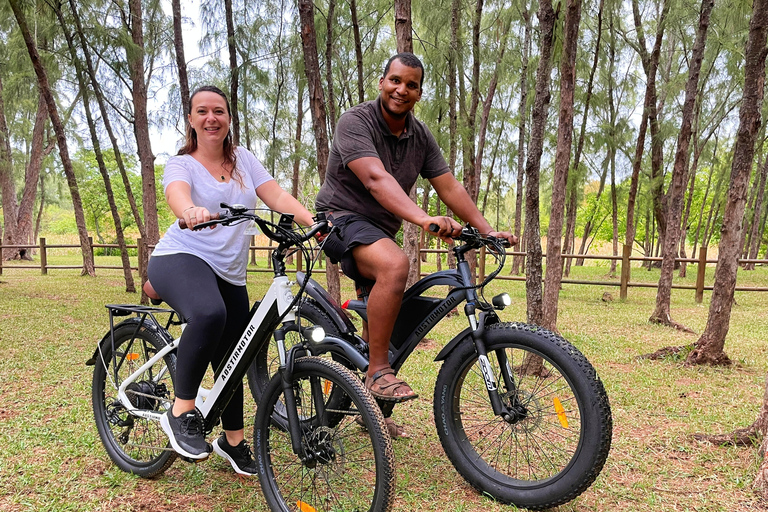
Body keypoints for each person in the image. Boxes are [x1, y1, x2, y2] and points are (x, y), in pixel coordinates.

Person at [316, 53, 517, 438]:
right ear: (382, 81)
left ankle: (372, 411)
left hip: (378, 231)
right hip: (338, 220)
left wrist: (486, 230)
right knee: (395, 265)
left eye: (411, 85)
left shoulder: (419, 136)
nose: (401, 90)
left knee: (396, 321)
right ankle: (377, 371)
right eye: (395, 80)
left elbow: (449, 186)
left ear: (419, 92)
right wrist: (424, 218)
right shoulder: (355, 121)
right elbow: (376, 179)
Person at [149, 85, 316, 475]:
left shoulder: (243, 160)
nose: (211, 118)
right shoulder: (182, 164)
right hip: (180, 256)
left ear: (228, 118)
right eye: (202, 111)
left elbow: (274, 194)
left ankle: (233, 442)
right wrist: (189, 209)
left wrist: (315, 223)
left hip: (228, 271)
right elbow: (177, 193)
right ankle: (181, 412)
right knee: (209, 313)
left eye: (219, 111)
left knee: (236, 357)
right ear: (191, 119)